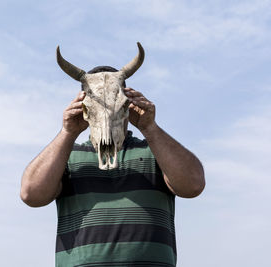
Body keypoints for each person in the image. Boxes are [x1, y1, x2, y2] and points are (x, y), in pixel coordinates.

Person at [20, 66, 205, 267]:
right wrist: (67, 132)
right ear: (84, 106)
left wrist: (150, 128)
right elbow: (31, 194)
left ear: (127, 103)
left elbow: (193, 185)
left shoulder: (156, 152)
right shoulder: (66, 157)